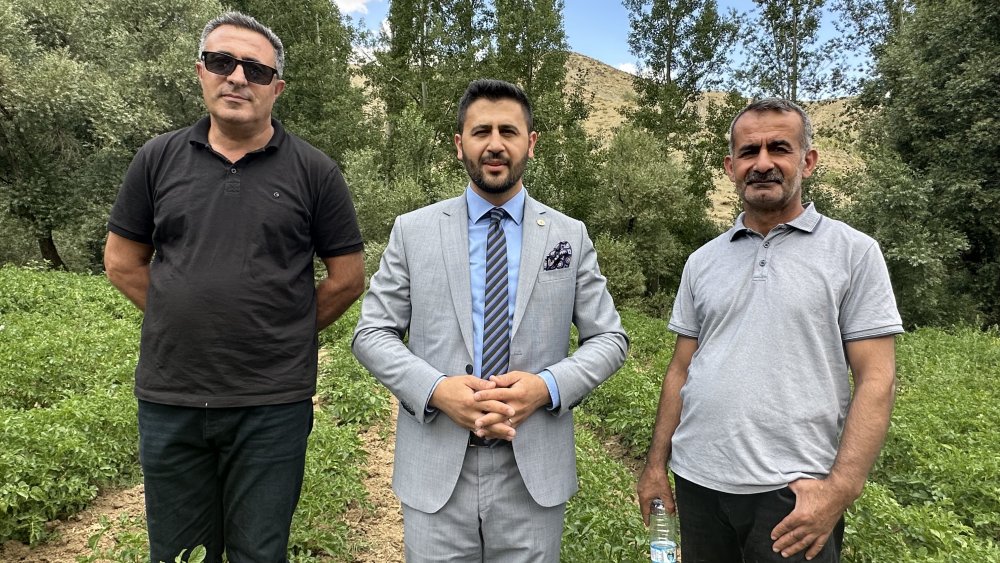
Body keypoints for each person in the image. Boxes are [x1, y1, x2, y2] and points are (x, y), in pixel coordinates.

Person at [103, 11, 364, 563]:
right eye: (222, 62)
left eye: (256, 69)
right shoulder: (156, 160)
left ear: (277, 88)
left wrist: (282, 329)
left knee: (259, 553)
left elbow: (347, 279)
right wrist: (180, 313)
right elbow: (122, 263)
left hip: (272, 404)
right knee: (178, 553)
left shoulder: (315, 172)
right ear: (201, 72)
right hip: (171, 398)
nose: (238, 77)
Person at [352, 78, 628, 562]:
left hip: (532, 472)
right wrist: (438, 390)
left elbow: (609, 338)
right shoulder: (413, 231)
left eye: (509, 131)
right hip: (437, 468)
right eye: (481, 131)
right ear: (460, 144)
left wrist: (545, 387)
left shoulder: (569, 235)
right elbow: (372, 333)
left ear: (531, 143)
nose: (495, 144)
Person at [637, 98, 903, 563]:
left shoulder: (854, 253)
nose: (762, 163)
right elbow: (681, 369)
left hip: (792, 494)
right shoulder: (702, 261)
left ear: (808, 161)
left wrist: (840, 489)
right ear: (730, 167)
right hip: (698, 481)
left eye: (779, 148)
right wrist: (656, 465)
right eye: (748, 152)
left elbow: (877, 379)